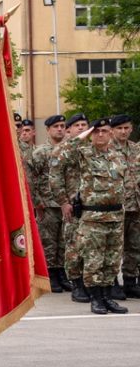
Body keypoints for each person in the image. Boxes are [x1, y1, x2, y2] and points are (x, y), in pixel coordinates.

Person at [56, 118, 128, 315]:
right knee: (93, 260)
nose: (101, 135)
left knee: (112, 260)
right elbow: (59, 155)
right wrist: (84, 134)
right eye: (96, 132)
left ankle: (107, 297)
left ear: (111, 133)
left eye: (105, 131)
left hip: (115, 216)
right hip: (93, 217)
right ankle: (96, 299)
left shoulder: (118, 156)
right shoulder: (83, 154)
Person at [51, 113, 91, 303]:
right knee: (74, 245)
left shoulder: (93, 148)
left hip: (93, 205)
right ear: (69, 130)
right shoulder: (63, 150)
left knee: (91, 246)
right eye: (77, 125)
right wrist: (63, 202)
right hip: (73, 205)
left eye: (84, 124)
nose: (82, 128)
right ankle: (76, 284)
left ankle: (90, 282)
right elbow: (56, 177)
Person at [28, 114, 69, 292]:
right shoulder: (40, 152)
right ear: (48, 130)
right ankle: (50, 275)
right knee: (48, 242)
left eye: (62, 126)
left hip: (65, 203)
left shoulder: (69, 150)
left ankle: (61, 273)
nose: (60, 129)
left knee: (64, 241)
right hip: (47, 204)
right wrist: (37, 203)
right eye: (56, 126)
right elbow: (31, 178)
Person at [111, 114, 140, 298]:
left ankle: (130, 281)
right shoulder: (106, 149)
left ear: (131, 129)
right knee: (114, 247)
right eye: (119, 128)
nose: (123, 131)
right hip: (115, 208)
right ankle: (112, 283)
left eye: (126, 128)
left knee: (135, 246)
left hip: (135, 206)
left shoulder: (136, 149)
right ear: (113, 130)